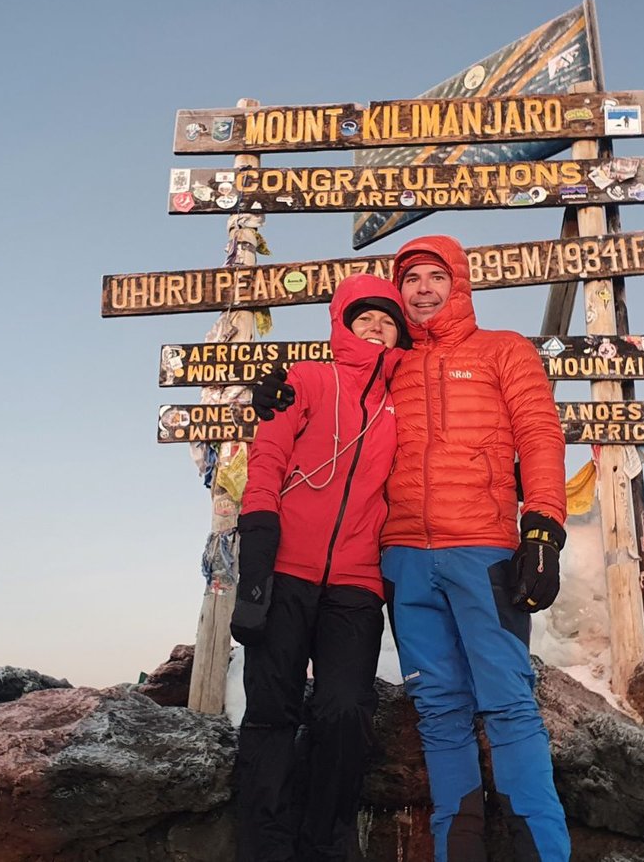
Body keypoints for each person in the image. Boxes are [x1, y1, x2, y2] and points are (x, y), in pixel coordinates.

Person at [254, 235, 570, 862]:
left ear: (459, 283)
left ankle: (544, 851)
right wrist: (277, 390)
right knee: (439, 708)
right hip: (400, 558)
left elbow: (539, 433)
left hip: (482, 551)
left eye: (435, 277)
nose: (423, 289)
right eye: (412, 280)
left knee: (508, 701)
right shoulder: (390, 365)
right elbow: (337, 386)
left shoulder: (503, 351)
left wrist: (543, 528)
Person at [231, 273, 411, 862]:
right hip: (285, 569)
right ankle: (265, 845)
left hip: (356, 580)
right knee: (272, 709)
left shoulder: (404, 401)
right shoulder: (306, 379)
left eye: (388, 320)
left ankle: (326, 842)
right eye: (366, 318)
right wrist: (257, 552)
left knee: (344, 708)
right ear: (344, 324)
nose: (377, 327)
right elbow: (268, 460)